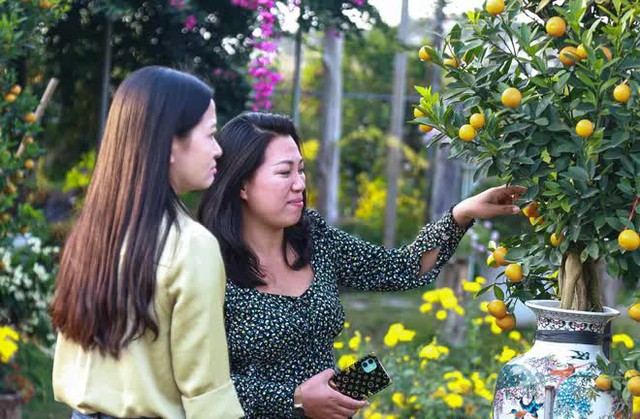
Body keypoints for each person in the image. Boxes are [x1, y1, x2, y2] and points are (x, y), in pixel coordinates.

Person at [197, 112, 525, 419]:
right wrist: (296, 399)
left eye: (301, 169)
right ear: (241, 184)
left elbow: (404, 268)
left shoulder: (315, 240)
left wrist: (462, 214)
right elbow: (199, 387)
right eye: (284, 172)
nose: (299, 184)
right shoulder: (209, 265)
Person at [50, 66, 244, 419]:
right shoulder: (191, 245)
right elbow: (204, 386)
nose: (218, 151)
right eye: (211, 135)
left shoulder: (92, 234)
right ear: (171, 143)